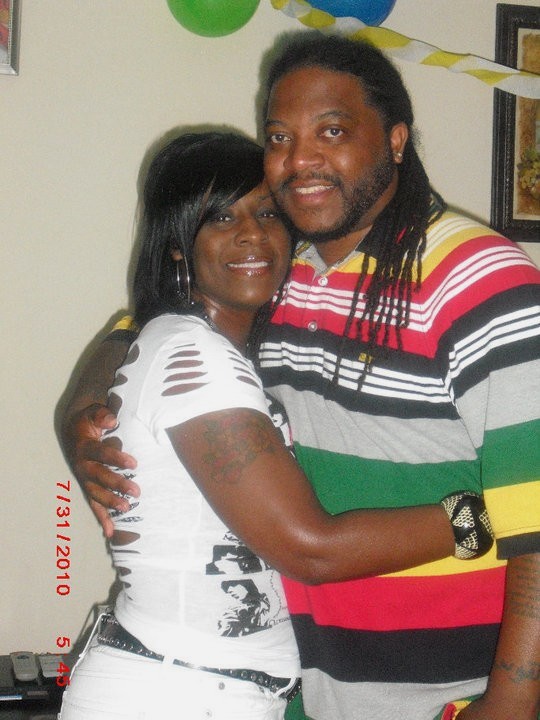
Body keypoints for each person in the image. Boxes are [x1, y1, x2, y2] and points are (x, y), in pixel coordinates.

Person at [59, 33, 540, 720]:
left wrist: (515, 697)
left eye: (332, 131)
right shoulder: (284, 277)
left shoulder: (480, 280)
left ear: (396, 140)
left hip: (448, 696)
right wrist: (82, 408)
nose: (300, 160)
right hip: (307, 697)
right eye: (280, 137)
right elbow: (152, 323)